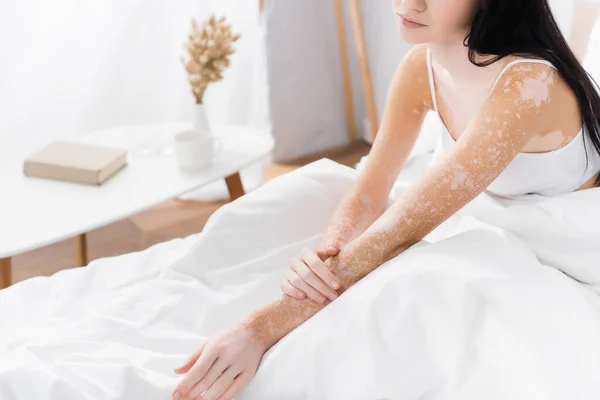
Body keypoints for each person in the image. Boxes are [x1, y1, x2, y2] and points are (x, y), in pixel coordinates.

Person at [171, 1, 600, 399]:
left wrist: (259, 329)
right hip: (482, 214)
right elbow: (370, 189)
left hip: (565, 245)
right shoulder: (421, 65)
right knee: (299, 197)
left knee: (411, 286)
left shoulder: (528, 83)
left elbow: (401, 231)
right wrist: (325, 259)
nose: (408, 2)